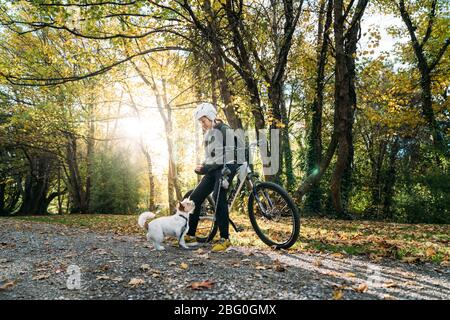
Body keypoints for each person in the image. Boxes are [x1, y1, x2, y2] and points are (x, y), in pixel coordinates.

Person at [185, 102, 240, 252]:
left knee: (218, 196)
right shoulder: (208, 134)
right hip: (213, 171)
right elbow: (210, 157)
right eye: (200, 122)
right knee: (194, 198)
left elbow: (232, 154)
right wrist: (202, 168)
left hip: (226, 168)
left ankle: (225, 239)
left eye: (203, 121)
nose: (202, 125)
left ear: (211, 117)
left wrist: (216, 169)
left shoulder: (224, 130)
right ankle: (190, 234)